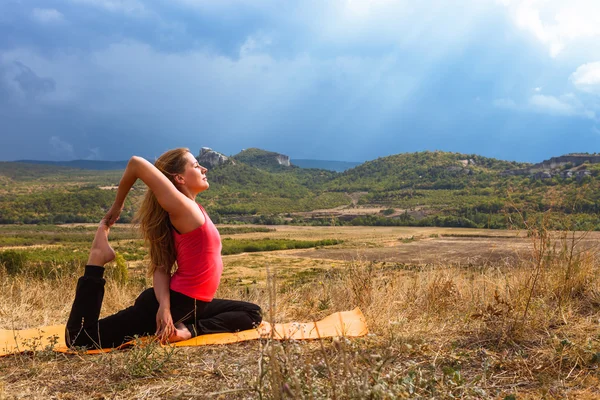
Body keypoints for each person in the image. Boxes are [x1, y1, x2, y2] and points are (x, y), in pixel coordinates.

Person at [65, 148, 262, 349]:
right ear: (179, 178)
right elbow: (136, 163)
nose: (204, 169)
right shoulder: (184, 209)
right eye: (195, 165)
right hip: (178, 303)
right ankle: (97, 258)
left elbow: (162, 267)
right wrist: (117, 207)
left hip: (190, 304)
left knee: (252, 313)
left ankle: (187, 330)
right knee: (79, 339)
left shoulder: (190, 210)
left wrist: (165, 307)